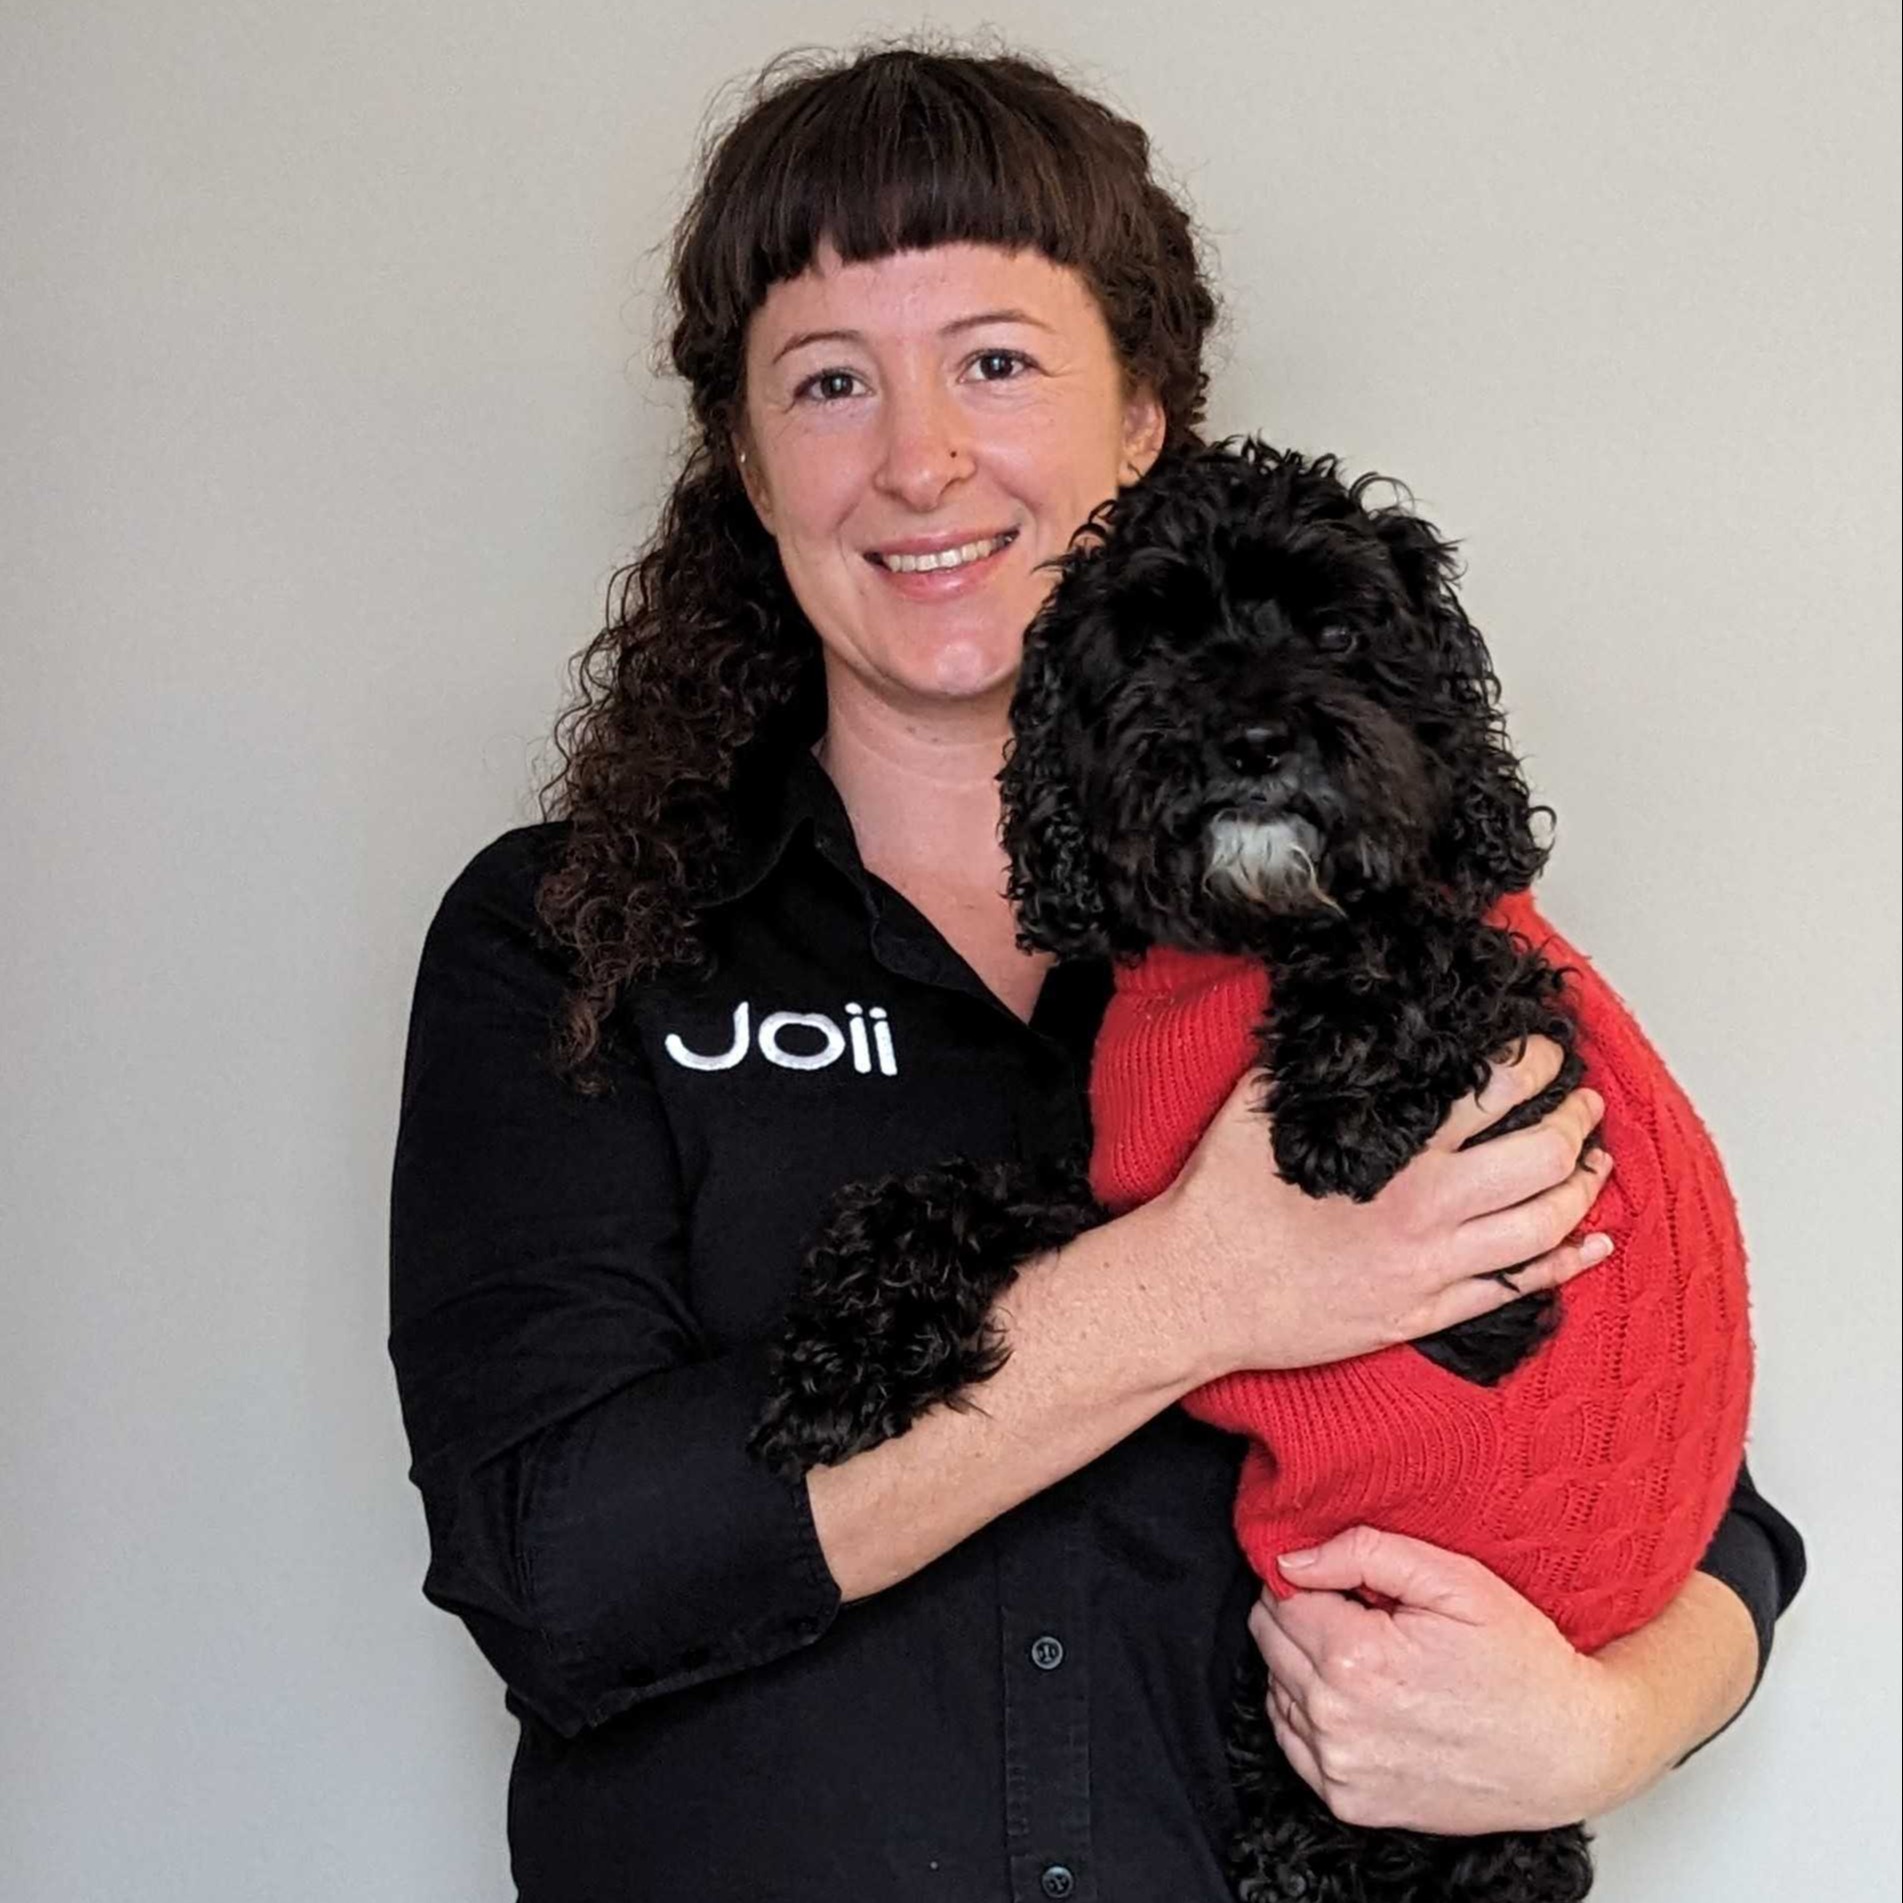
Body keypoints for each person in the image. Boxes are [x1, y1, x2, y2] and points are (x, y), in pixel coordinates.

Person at [387, 41, 1806, 1903]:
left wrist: (1595, 1730)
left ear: (1143, 417)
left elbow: (1703, 1488)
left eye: (996, 360)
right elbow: (560, 1575)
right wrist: (1198, 1286)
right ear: (742, 459)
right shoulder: (571, 941)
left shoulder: (1374, 934)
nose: (919, 459)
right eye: (830, 381)